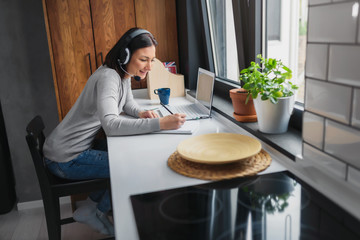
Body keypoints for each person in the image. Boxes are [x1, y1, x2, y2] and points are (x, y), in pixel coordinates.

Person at [43, 28, 186, 236]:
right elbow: (110, 123)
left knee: (128, 157)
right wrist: (161, 124)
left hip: (73, 148)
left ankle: (91, 209)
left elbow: (127, 104)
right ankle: (98, 211)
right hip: (66, 158)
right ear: (125, 55)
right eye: (143, 59)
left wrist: (142, 112)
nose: (149, 67)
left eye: (152, 60)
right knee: (131, 166)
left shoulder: (123, 74)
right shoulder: (108, 77)